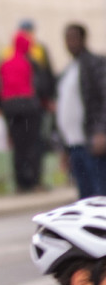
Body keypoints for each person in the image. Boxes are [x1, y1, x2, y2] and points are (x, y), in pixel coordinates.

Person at [0, 31, 56, 193]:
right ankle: (35, 182)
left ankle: (21, 184)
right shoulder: (31, 63)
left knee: (17, 145)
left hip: (10, 108)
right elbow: (42, 86)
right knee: (33, 144)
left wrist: (1, 105)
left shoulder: (4, 63)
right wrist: (45, 101)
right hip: (29, 107)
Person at [54, 23, 106, 198]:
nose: (70, 43)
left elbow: (102, 98)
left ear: (83, 39)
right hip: (73, 143)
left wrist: (101, 131)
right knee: (85, 199)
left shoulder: (95, 64)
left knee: (99, 197)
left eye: (74, 38)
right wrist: (63, 147)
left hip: (91, 142)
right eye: (67, 39)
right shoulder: (68, 70)